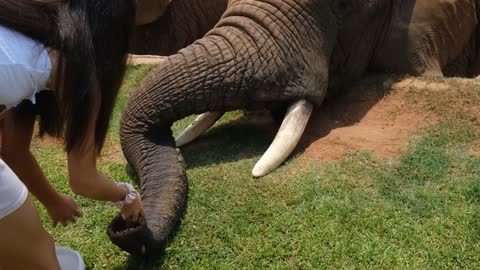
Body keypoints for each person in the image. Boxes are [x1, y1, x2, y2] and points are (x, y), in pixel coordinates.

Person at [0, 0, 145, 269]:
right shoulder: (77, 67)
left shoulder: (28, 34)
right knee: (41, 257)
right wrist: (127, 195)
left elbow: (13, 150)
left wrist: (52, 201)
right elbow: (84, 181)